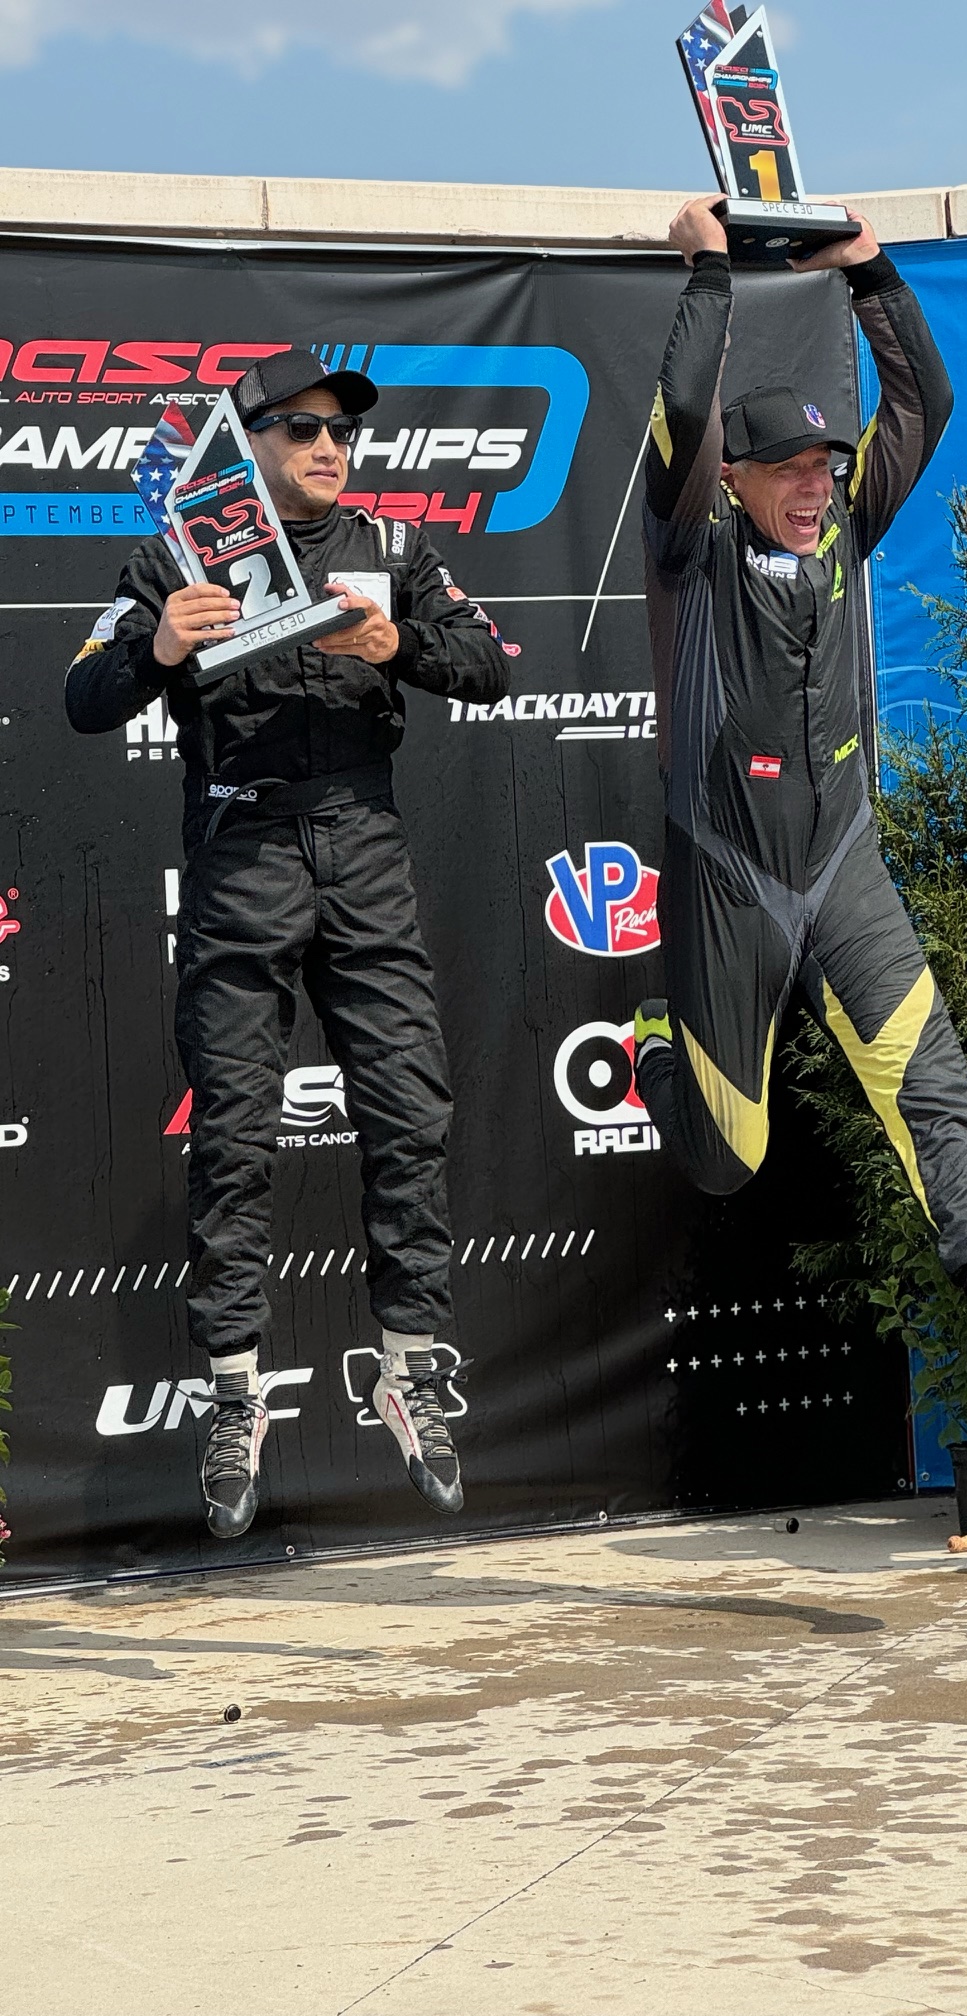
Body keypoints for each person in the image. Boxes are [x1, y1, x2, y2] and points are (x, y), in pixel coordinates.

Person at [64, 349, 513, 1536]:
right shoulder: (177, 555)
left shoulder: (395, 547)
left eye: (341, 432)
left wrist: (395, 648)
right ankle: (233, 1395)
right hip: (241, 849)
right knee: (233, 1133)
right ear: (249, 441)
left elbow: (488, 666)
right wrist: (159, 649)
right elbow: (83, 695)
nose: (328, 448)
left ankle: (410, 1370)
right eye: (302, 429)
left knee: (411, 1110)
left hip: (362, 840)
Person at [633, 194, 967, 1387]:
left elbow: (924, 405)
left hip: (841, 862)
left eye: (826, 467)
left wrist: (870, 270)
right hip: (727, 872)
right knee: (727, 1157)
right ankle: (658, 1042)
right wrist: (710, 273)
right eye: (790, 472)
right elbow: (684, 417)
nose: (815, 489)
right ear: (737, 480)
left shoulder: (846, 534)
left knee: (932, 1079)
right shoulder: (693, 550)